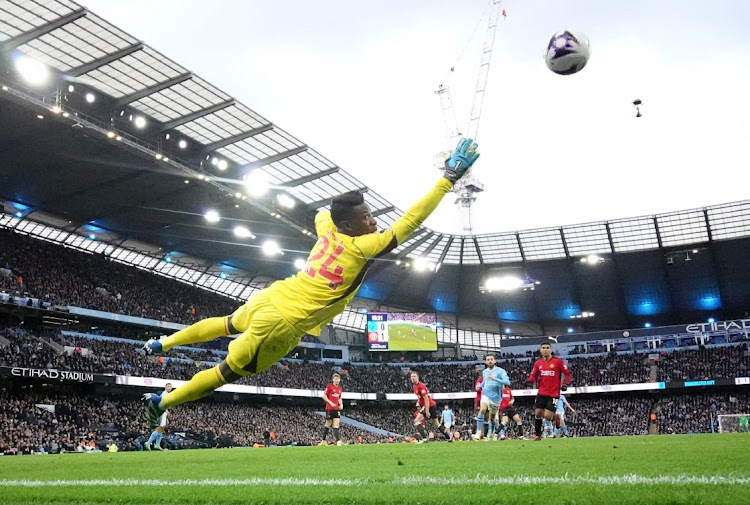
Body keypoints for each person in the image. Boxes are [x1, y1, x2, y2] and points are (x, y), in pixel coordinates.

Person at [140, 138, 480, 427]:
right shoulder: (362, 246)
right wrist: (448, 178)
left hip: (273, 295)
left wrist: (335, 211)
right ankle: (162, 404)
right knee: (224, 373)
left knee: (228, 323)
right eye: (366, 218)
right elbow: (412, 219)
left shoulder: (328, 228)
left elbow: (322, 214)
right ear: (348, 225)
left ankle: (163, 343)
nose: (374, 222)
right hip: (282, 322)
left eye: (371, 214)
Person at [526, 343, 572, 441]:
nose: (545, 350)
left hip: (554, 393)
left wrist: (565, 384)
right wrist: (529, 381)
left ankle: (556, 418)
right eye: (543, 348)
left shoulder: (557, 362)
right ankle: (537, 435)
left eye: (547, 348)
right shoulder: (538, 363)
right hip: (541, 392)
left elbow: (567, 373)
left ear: (551, 350)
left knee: (547, 416)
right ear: (540, 350)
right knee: (538, 413)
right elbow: (534, 375)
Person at [473, 354, 510, 440]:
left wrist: (496, 379)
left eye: (491, 359)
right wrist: (480, 385)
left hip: (496, 397)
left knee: (492, 418)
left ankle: (492, 432)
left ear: (495, 361)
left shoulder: (500, 371)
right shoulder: (485, 372)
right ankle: (478, 433)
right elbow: (486, 382)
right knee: (482, 410)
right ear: (486, 362)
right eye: (488, 360)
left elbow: (507, 382)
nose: (490, 361)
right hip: (485, 394)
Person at [410, 372, 451, 443]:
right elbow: (421, 397)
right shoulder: (414, 386)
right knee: (436, 424)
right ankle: (448, 437)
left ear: (418, 377)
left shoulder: (421, 386)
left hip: (429, 405)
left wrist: (427, 410)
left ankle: (425, 438)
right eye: (412, 376)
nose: (413, 377)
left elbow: (426, 399)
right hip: (431, 405)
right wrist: (418, 401)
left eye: (414, 376)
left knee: (416, 421)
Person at [146, 383, 173, 450]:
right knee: (160, 428)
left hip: (162, 412)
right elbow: (161, 404)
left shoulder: (167, 394)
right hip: (161, 412)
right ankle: (148, 443)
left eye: (170, 386)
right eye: (168, 386)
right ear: (165, 387)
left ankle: (157, 444)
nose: (169, 388)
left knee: (161, 429)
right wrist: (165, 412)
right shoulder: (164, 394)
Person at [320, 372, 344, 446]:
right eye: (336, 379)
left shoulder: (340, 389)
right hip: (329, 408)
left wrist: (341, 404)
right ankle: (323, 440)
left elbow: (339, 398)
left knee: (336, 424)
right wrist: (330, 402)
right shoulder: (329, 387)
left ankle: (338, 441)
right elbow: (324, 396)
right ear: (333, 380)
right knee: (328, 424)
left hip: (336, 409)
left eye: (338, 379)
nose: (337, 380)